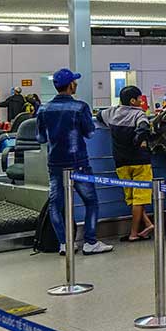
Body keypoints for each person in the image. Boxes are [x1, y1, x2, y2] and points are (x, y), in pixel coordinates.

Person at [36, 69, 113, 255]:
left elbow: (40, 138)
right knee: (91, 202)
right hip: (79, 162)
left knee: (56, 205)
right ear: (71, 85)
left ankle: (65, 243)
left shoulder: (43, 109)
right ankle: (90, 241)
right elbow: (90, 133)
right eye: (74, 82)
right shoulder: (80, 107)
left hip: (55, 164)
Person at [96, 85, 155, 242]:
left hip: (121, 162)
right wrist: (141, 140)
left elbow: (99, 115)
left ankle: (148, 224)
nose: (141, 102)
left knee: (131, 198)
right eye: (140, 99)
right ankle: (134, 234)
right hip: (140, 162)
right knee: (140, 198)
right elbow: (143, 127)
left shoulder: (112, 112)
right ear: (132, 100)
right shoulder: (139, 114)